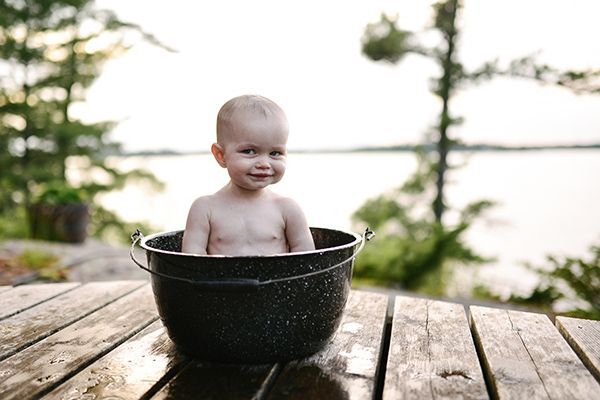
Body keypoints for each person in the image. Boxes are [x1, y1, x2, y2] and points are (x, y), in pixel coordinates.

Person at [181, 94, 315, 256]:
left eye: (275, 153)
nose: (264, 164)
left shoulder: (287, 209)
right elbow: (191, 262)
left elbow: (307, 261)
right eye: (249, 151)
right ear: (221, 155)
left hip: (278, 282)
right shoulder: (205, 209)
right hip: (218, 282)